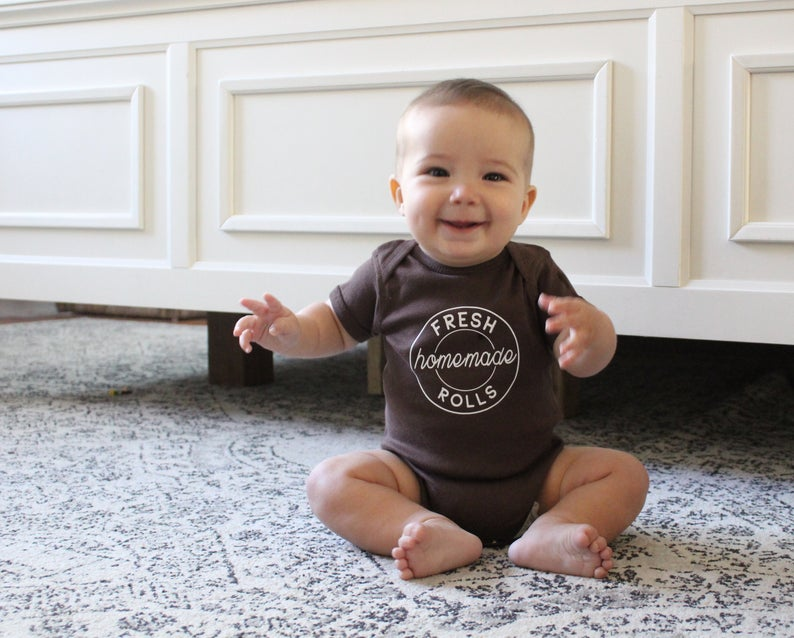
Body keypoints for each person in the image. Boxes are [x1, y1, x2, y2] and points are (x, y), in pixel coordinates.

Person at [233, 79, 649, 581]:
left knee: (625, 475)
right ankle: (423, 528)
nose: (464, 193)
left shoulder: (534, 271)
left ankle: (552, 530)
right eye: (437, 171)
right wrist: (292, 331)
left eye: (493, 176)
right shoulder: (390, 270)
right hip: (412, 474)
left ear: (524, 203)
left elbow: (586, 358)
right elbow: (335, 325)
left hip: (537, 471)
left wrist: (592, 333)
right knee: (329, 482)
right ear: (399, 193)